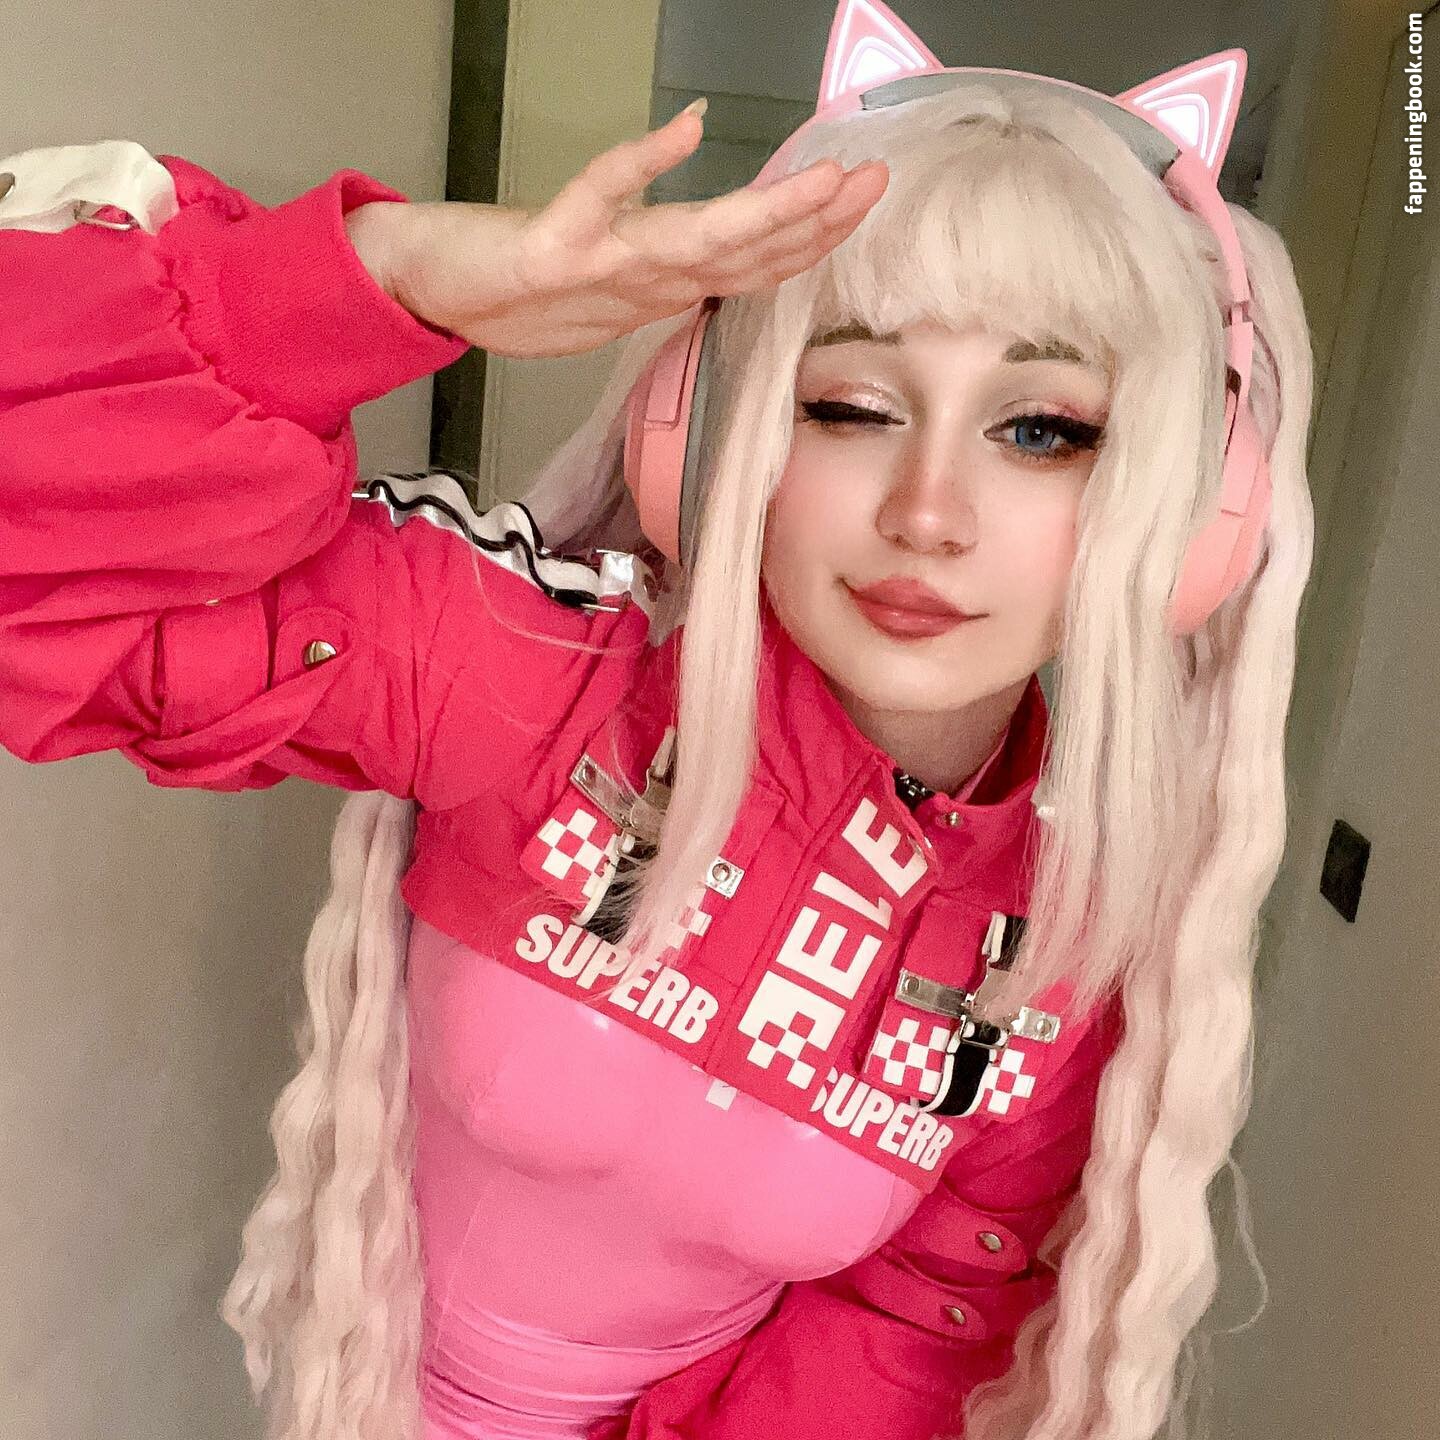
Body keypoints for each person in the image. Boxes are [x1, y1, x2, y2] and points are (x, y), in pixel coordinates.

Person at [0, 1, 1315, 1437]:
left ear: (1198, 515)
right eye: (851, 405)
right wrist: (378, 275)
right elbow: (44, 575)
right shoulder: (536, 678)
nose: (928, 514)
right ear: (708, 431)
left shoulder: (1065, 951)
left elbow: (920, 1312)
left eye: (1045, 430)